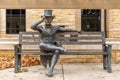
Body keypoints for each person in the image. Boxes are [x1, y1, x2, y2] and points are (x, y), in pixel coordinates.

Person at [31, 10, 80, 77]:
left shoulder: (55, 28)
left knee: (56, 51)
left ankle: (51, 69)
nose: (48, 20)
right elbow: (32, 26)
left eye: (49, 18)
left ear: (52, 19)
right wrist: (41, 20)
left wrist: (76, 30)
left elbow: (66, 30)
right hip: (44, 46)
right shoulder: (41, 28)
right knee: (41, 45)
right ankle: (59, 48)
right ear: (44, 19)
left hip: (52, 45)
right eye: (46, 18)